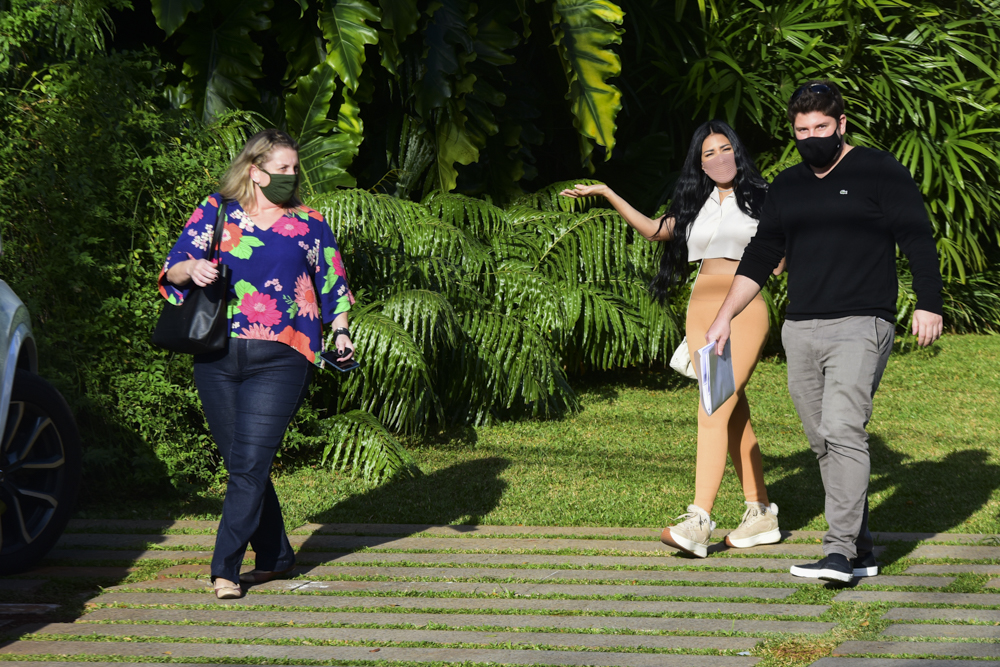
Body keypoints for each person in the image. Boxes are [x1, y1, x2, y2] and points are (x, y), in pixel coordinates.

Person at [705, 80, 943, 582]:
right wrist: (724, 315)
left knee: (842, 430)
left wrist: (929, 303)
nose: (811, 136)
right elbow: (763, 253)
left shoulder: (879, 170)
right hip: (800, 328)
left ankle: (837, 554)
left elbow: (917, 237)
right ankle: (862, 547)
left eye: (821, 127)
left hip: (862, 323)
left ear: (841, 125)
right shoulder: (788, 185)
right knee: (822, 441)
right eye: (802, 129)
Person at [561, 120, 785, 558]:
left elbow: (780, 257)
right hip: (701, 306)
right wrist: (607, 193)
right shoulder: (694, 203)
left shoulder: (763, 196)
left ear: (736, 152)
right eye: (708, 153)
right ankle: (761, 514)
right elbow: (652, 229)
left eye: (725, 149)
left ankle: (698, 518)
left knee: (713, 403)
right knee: (729, 408)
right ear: (698, 163)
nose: (718, 159)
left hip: (743, 305)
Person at [158, 129, 355, 599]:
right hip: (217, 354)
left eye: (294, 168)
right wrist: (195, 270)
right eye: (281, 168)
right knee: (244, 464)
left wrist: (341, 330)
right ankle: (275, 557)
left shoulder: (309, 222)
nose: (290, 176)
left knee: (248, 466)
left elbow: (333, 281)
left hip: (283, 356)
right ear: (255, 170)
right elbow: (174, 266)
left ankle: (224, 569)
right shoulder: (217, 210)